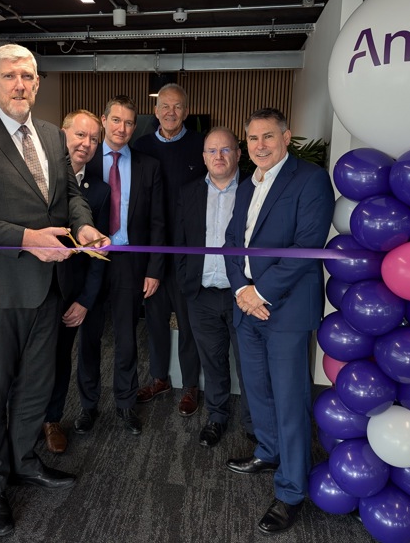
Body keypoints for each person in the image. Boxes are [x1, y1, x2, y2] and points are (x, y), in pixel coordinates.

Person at [0, 44, 109, 537]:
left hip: (49, 287)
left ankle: (23, 461)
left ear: (37, 83)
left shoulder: (55, 137)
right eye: (10, 76)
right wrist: (25, 239)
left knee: (36, 387)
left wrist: (85, 228)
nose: (20, 85)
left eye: (28, 77)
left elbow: (73, 197)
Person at [223, 108, 334, 535]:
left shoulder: (309, 180)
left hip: (284, 308)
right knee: (257, 389)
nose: (260, 146)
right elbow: (234, 241)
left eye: (268, 137)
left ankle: (290, 491)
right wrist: (240, 291)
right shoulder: (250, 183)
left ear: (286, 137)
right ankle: (268, 451)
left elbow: (306, 247)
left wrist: (259, 293)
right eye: (252, 139)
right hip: (247, 305)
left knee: (290, 399)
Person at [75, 95, 165, 436]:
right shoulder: (85, 161)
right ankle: (88, 405)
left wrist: (154, 268)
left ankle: (125, 405)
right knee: (90, 337)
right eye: (116, 120)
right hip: (90, 261)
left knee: (127, 338)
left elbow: (158, 222)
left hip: (130, 261)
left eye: (129, 122)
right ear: (103, 120)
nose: (122, 128)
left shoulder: (148, 165)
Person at [132, 83, 207, 416]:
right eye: (164, 106)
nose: (170, 112)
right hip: (152, 253)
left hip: (188, 252)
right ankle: (160, 377)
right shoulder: (141, 146)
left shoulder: (201, 146)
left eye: (177, 107)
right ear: (156, 110)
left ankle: (190, 384)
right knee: (155, 320)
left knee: (189, 322)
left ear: (186, 111)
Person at [175, 127, 253, 447]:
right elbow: (179, 241)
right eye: (211, 151)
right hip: (202, 294)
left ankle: (253, 423)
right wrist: (184, 278)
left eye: (225, 150)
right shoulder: (188, 192)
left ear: (238, 153)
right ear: (204, 157)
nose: (218, 156)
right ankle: (217, 416)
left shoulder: (253, 189)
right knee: (213, 361)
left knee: (249, 361)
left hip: (244, 295)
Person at [43, 110, 110, 454]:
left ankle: (53, 420)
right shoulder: (39, 176)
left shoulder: (99, 191)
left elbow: (99, 252)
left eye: (93, 139)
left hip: (70, 293)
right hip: (33, 291)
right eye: (80, 135)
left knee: (61, 360)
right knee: (27, 361)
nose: (86, 144)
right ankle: (24, 422)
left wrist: (85, 299)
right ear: (62, 135)